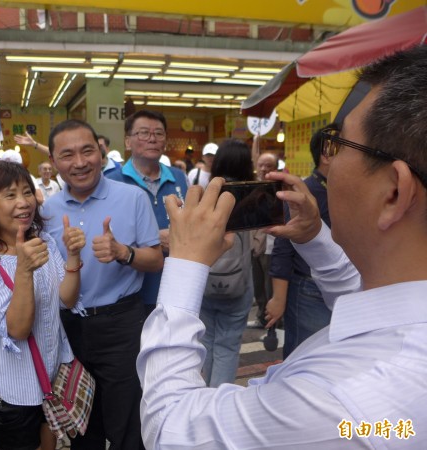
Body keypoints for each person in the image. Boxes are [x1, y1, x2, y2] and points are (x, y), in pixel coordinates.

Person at [137, 45, 427, 449]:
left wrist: (184, 262)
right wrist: (315, 237)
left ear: (394, 192)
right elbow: (371, 306)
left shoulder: (339, 405)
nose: (325, 165)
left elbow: (169, 425)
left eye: (336, 144)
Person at [42, 119, 163, 450]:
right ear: (53, 162)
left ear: (102, 152)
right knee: (81, 425)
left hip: (121, 324)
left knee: (128, 423)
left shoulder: (132, 197)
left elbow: (156, 259)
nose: (79, 163)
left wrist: (124, 252)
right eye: (67, 155)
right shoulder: (47, 210)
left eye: (87, 151)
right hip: (68, 329)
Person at [0, 160, 85, 450]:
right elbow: (17, 328)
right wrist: (24, 270)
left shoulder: (42, 241)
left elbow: (66, 299)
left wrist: (74, 256)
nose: (23, 202)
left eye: (27, 192)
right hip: (12, 395)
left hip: (52, 381)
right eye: (10, 195)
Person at [107, 109, 187, 315]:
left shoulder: (179, 178)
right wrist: (152, 240)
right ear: (127, 142)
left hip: (175, 288)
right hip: (129, 292)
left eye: (159, 134)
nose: (152, 139)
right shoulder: (111, 181)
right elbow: (104, 235)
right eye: (144, 133)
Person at [264, 125, 334, 358]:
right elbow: (283, 248)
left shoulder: (342, 191)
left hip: (344, 286)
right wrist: (279, 298)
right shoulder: (305, 194)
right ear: (326, 153)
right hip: (308, 290)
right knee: (304, 359)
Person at [199, 139, 254, 386]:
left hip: (206, 280)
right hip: (239, 281)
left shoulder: (207, 194)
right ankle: (218, 402)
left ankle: (203, 398)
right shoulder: (254, 195)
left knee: (207, 341)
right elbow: (261, 243)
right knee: (228, 345)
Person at [247, 151, 278, 329]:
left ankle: (273, 322)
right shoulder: (251, 187)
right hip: (253, 244)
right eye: (261, 165)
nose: (264, 169)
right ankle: (261, 317)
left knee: (270, 287)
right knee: (258, 285)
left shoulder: (280, 189)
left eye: (269, 165)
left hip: (271, 246)